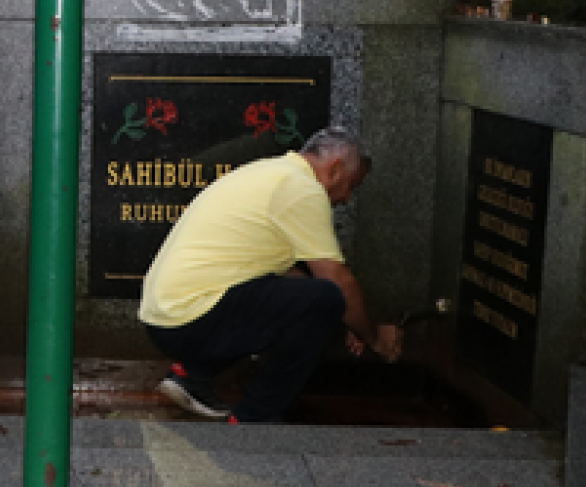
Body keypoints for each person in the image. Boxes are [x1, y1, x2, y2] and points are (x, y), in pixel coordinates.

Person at [139, 127, 403, 424]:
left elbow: (293, 289)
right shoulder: (301, 189)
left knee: (316, 298)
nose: (347, 198)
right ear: (336, 169)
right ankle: (256, 415)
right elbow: (337, 282)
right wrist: (374, 336)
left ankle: (192, 376)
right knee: (327, 297)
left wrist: (348, 317)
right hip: (188, 319)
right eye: (352, 185)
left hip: (166, 317)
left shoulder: (272, 172)